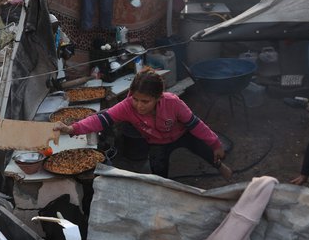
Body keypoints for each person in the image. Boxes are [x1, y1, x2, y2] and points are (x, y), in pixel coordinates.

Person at [54, 68, 232, 180]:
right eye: (136, 99)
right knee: (159, 176)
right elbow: (101, 119)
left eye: (145, 101)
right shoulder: (127, 106)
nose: (139, 105)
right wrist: (72, 128)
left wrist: (215, 144)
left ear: (158, 98)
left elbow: (195, 124)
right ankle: (166, 192)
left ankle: (219, 167)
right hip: (157, 143)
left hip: (182, 134)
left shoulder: (173, 102)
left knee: (205, 150)